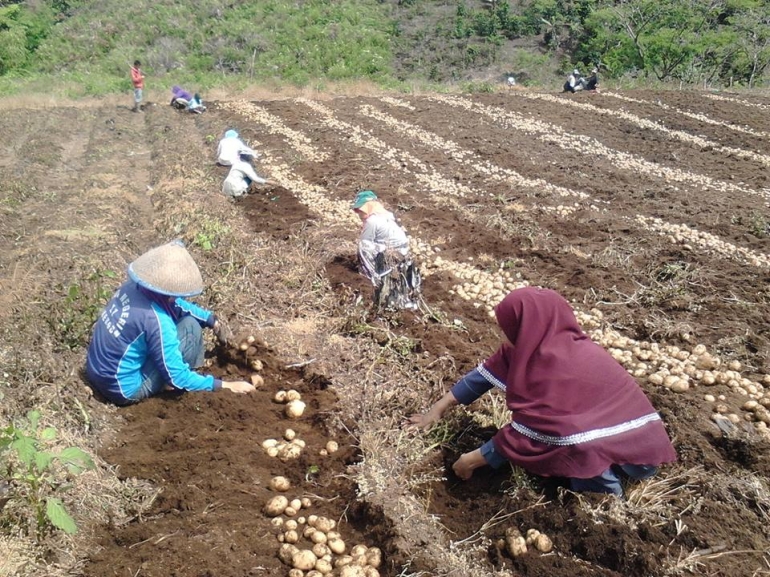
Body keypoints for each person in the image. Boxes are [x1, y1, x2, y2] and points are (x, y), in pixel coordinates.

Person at [408, 287, 677, 496]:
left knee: (573, 445)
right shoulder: (535, 347)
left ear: (527, 328)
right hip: (628, 443)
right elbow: (480, 377)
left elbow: (536, 433)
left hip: (638, 456)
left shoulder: (559, 367)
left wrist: (472, 460)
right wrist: (437, 410)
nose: (503, 335)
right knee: (573, 441)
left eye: (508, 328)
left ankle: (606, 496)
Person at [85, 241, 255, 405]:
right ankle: (182, 383)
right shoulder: (156, 320)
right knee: (190, 329)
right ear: (170, 293)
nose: (177, 299)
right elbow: (177, 377)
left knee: (185, 322)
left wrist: (212, 321)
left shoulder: (131, 288)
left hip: (96, 371)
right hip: (123, 390)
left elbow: (178, 305)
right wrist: (225, 386)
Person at [351, 190, 421, 310]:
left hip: (392, 252)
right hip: (403, 251)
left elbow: (365, 243)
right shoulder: (387, 216)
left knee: (363, 247)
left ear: (367, 206)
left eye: (359, 209)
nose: (358, 213)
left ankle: (369, 278)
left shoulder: (372, 221)